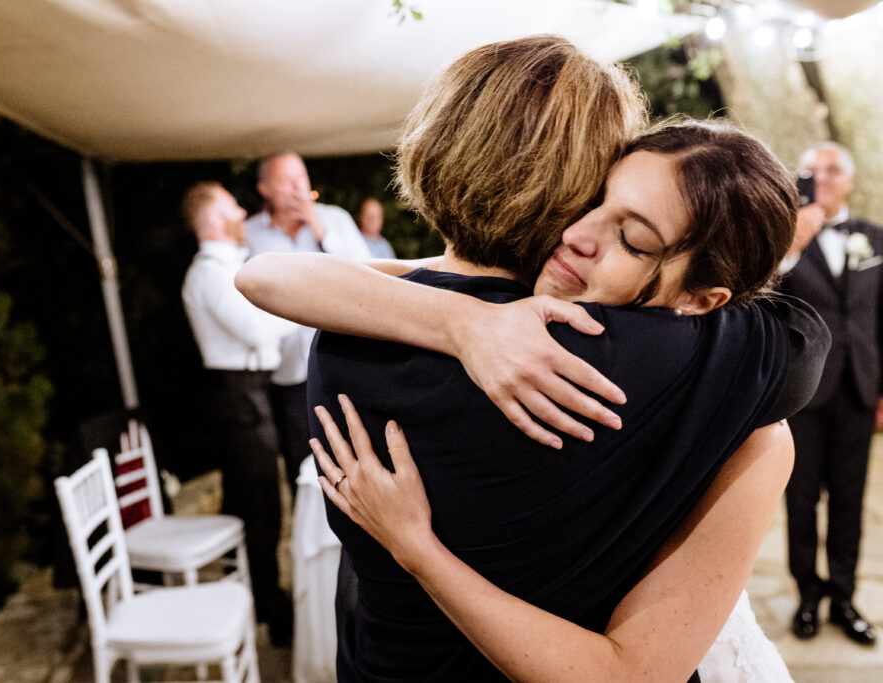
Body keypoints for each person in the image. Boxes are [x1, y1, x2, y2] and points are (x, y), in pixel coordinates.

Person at [237, 35, 826, 682]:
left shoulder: (344, 329)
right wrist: (465, 322)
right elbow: (801, 341)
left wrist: (454, 315)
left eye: (627, 231)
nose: (582, 232)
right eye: (600, 197)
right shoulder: (636, 357)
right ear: (576, 181)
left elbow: (268, 275)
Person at [180, 181, 297, 645]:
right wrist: (306, 305)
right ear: (211, 221)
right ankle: (266, 607)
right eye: (231, 208)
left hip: (250, 391)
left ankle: (257, 596)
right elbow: (256, 328)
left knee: (259, 501)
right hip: (238, 396)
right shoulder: (209, 274)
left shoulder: (228, 265)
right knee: (258, 505)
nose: (241, 214)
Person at [778, 141, 882, 645]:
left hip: (860, 389)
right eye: (810, 170)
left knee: (850, 497)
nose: (821, 177)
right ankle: (808, 596)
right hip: (803, 392)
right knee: (800, 499)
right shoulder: (784, 238)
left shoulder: (875, 238)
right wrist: (792, 246)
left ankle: (844, 595)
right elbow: (764, 299)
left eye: (832, 169)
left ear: (850, 179)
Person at [245, 152, 371, 494]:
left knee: (353, 447)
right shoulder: (249, 233)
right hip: (286, 366)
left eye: (302, 178)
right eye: (288, 181)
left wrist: (320, 230)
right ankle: (308, 535)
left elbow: (369, 274)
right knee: (301, 456)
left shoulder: (335, 219)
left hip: (344, 354)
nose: (299, 188)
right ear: (265, 188)